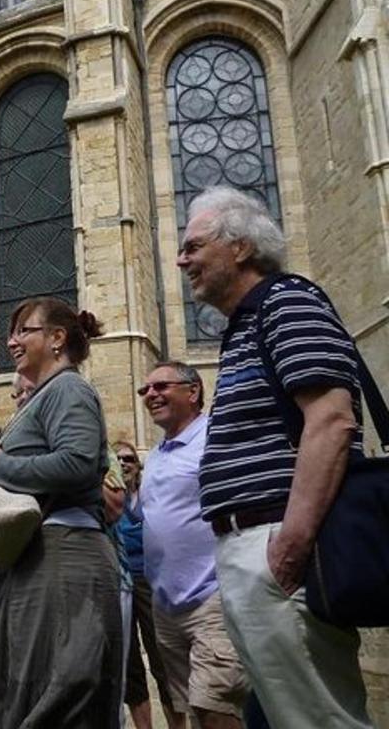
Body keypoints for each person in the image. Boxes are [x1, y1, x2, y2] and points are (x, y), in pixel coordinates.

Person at [177, 185, 373, 728]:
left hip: (278, 547)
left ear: (239, 247)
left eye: (193, 246)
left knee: (317, 719)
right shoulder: (246, 324)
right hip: (254, 548)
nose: (181, 259)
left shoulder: (286, 302)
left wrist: (290, 544)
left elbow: (332, 420)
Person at [0, 297, 121, 728]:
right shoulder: (45, 396)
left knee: (54, 688)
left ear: (56, 339)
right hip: (36, 559)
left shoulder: (69, 388)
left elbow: (78, 463)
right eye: (11, 332)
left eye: (22, 331)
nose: (11, 341)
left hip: (65, 554)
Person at [138, 360, 248, 728]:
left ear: (193, 391)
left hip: (212, 596)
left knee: (215, 707)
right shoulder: (155, 455)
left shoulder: (213, 438)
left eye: (161, 387)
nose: (150, 395)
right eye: (145, 390)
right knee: (190, 712)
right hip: (166, 604)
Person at [113, 440, 175, 729]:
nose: (123, 463)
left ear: (138, 464)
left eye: (128, 458)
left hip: (150, 580)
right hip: (121, 581)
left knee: (161, 658)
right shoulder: (112, 498)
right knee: (130, 666)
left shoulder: (147, 494)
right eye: (118, 459)